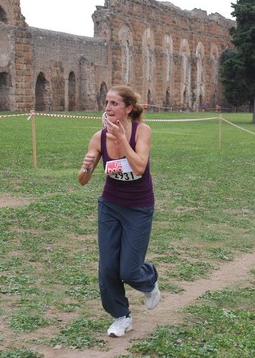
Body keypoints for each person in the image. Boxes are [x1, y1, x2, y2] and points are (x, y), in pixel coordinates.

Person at [78, 85, 160, 338]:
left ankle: (149, 282)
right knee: (107, 268)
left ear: (128, 108)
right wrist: (87, 167)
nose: (108, 108)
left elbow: (138, 167)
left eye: (114, 103)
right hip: (110, 206)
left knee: (129, 270)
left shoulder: (141, 131)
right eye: (106, 103)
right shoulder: (98, 137)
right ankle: (121, 316)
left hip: (139, 207)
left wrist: (122, 139)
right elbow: (82, 180)